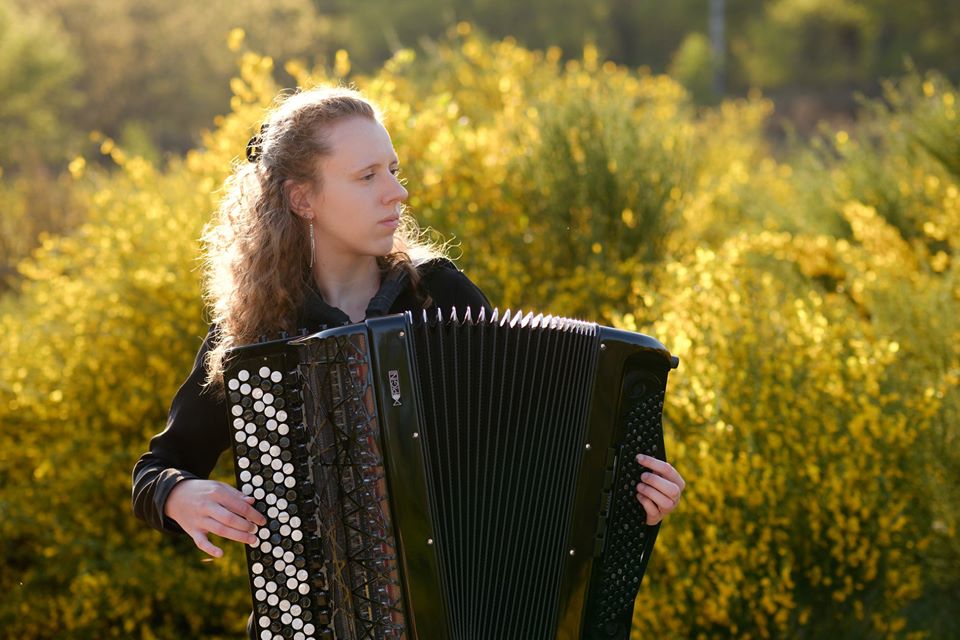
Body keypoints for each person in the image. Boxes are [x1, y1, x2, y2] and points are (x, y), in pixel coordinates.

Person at [131, 86, 685, 632]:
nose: (396, 192)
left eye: (393, 170)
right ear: (303, 199)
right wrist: (179, 494)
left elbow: (530, 460)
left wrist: (625, 499)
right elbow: (157, 469)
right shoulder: (256, 335)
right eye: (367, 176)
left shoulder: (441, 296)